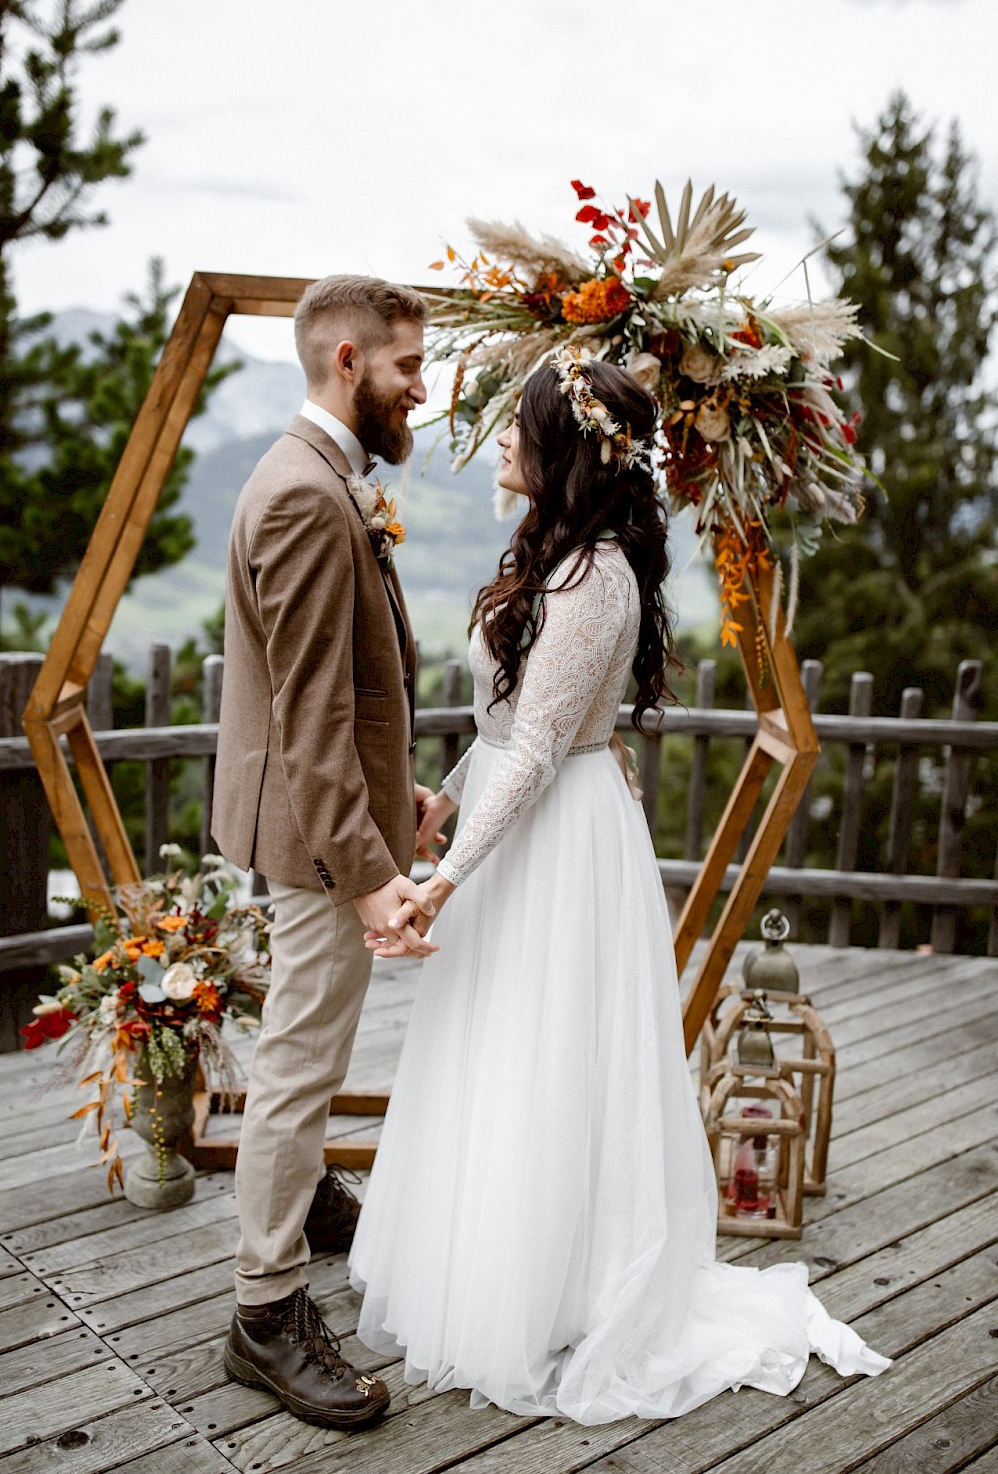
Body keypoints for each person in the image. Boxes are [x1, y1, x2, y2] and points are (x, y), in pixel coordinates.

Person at [349, 349, 890, 1423]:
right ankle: (498, 1259)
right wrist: (448, 799)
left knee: (551, 1050)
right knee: (499, 1045)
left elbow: (548, 746)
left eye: (516, 428)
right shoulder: (548, 551)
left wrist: (441, 880)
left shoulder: (595, 575)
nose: (498, 441)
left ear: (564, 454)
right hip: (518, 821)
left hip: (563, 840)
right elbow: (507, 728)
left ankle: (564, 1284)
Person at [212, 274, 441, 1431]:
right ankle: (263, 1311)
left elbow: (351, 689)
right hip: (316, 844)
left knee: (303, 1048)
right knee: (299, 1066)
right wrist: (371, 877)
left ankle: (298, 1204)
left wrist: (402, 798)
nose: (422, 388)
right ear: (348, 360)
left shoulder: (322, 475)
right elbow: (309, 719)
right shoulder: (306, 496)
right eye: (408, 366)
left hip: (331, 821)